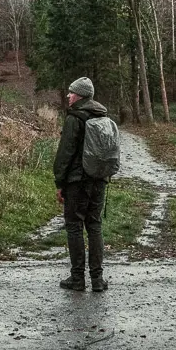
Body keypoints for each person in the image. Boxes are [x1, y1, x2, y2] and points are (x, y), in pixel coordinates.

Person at [53, 76, 110, 292]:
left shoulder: (74, 118)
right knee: (94, 226)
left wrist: (60, 182)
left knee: (74, 226)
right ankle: (97, 279)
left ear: (81, 96)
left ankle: (77, 278)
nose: (68, 95)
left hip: (77, 181)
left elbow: (65, 154)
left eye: (72, 92)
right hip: (99, 179)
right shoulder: (102, 116)